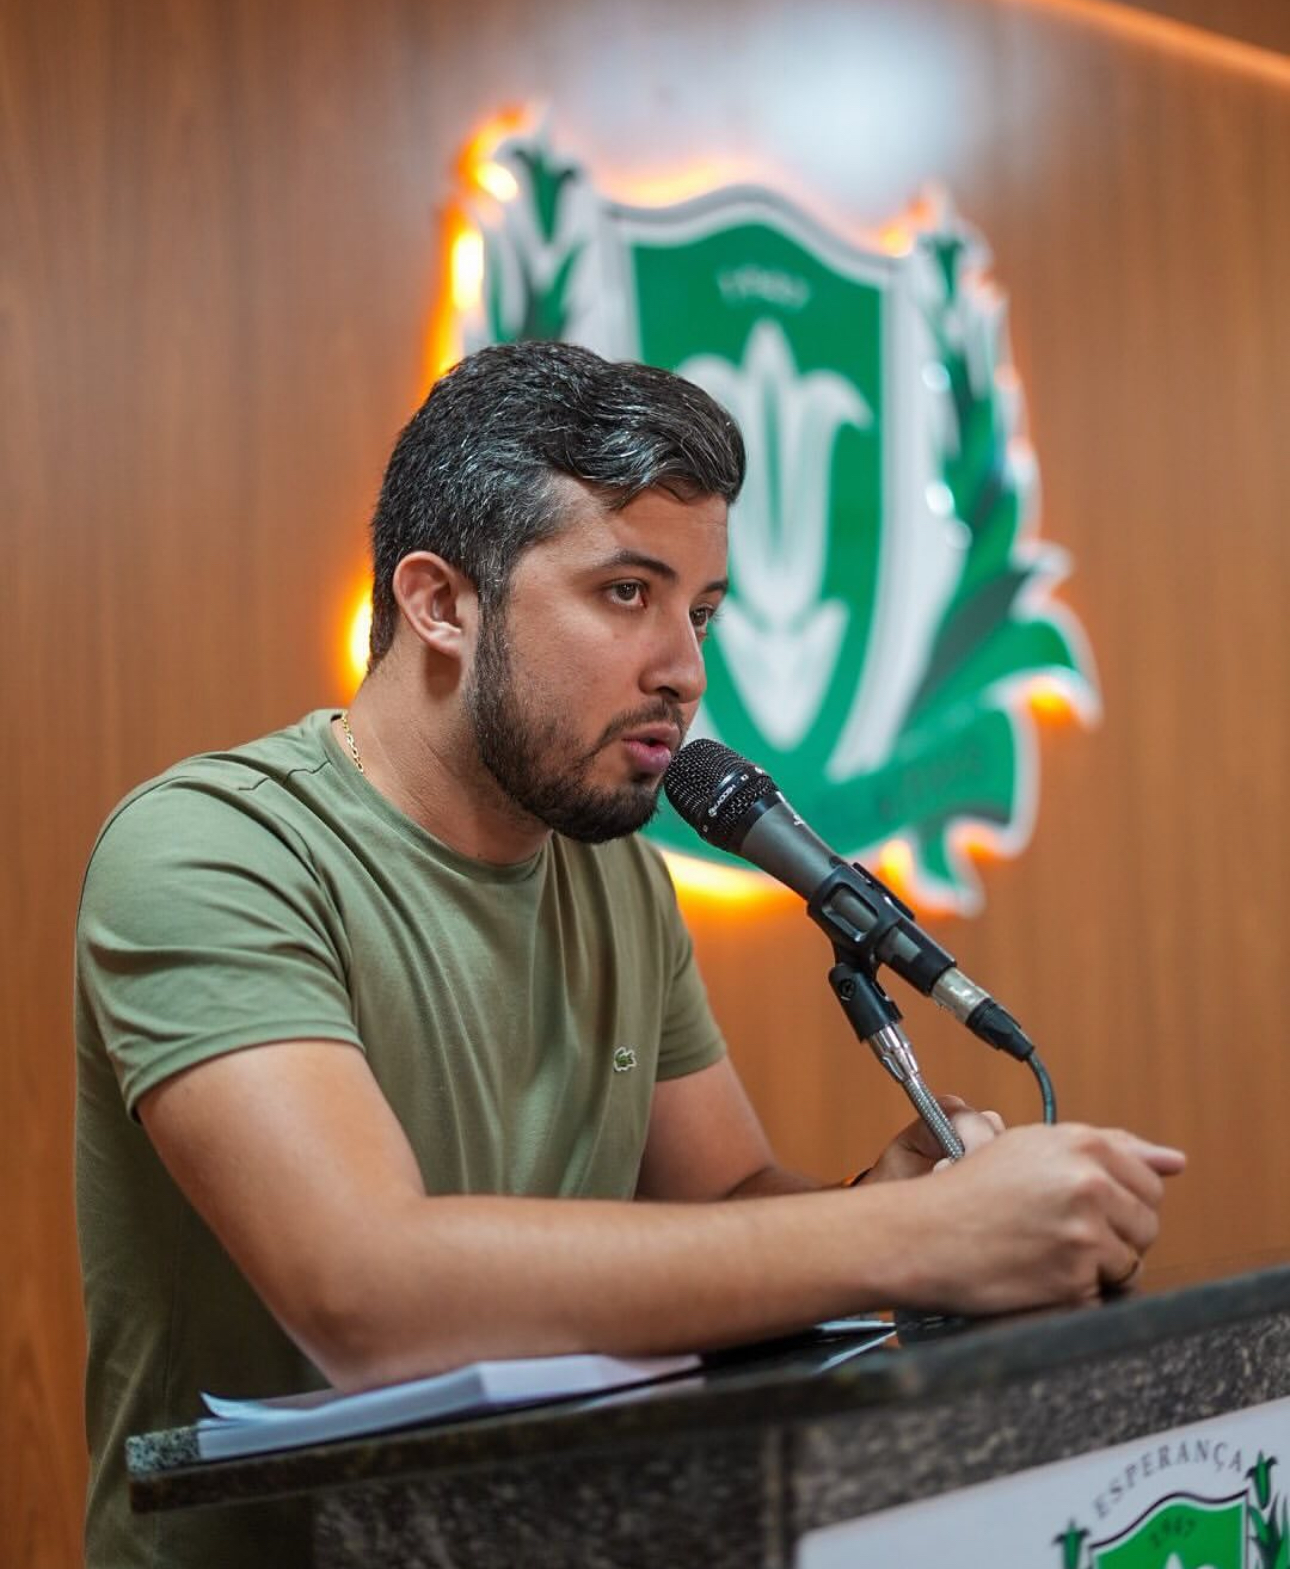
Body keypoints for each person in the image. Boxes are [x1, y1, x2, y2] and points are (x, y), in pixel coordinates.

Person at [75, 340, 1184, 1568]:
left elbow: (726, 1206)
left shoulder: (616, 874)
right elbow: (368, 1296)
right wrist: (922, 1241)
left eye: (699, 612)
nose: (685, 671)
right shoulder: (211, 851)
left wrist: (892, 1206)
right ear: (439, 604)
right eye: (625, 594)